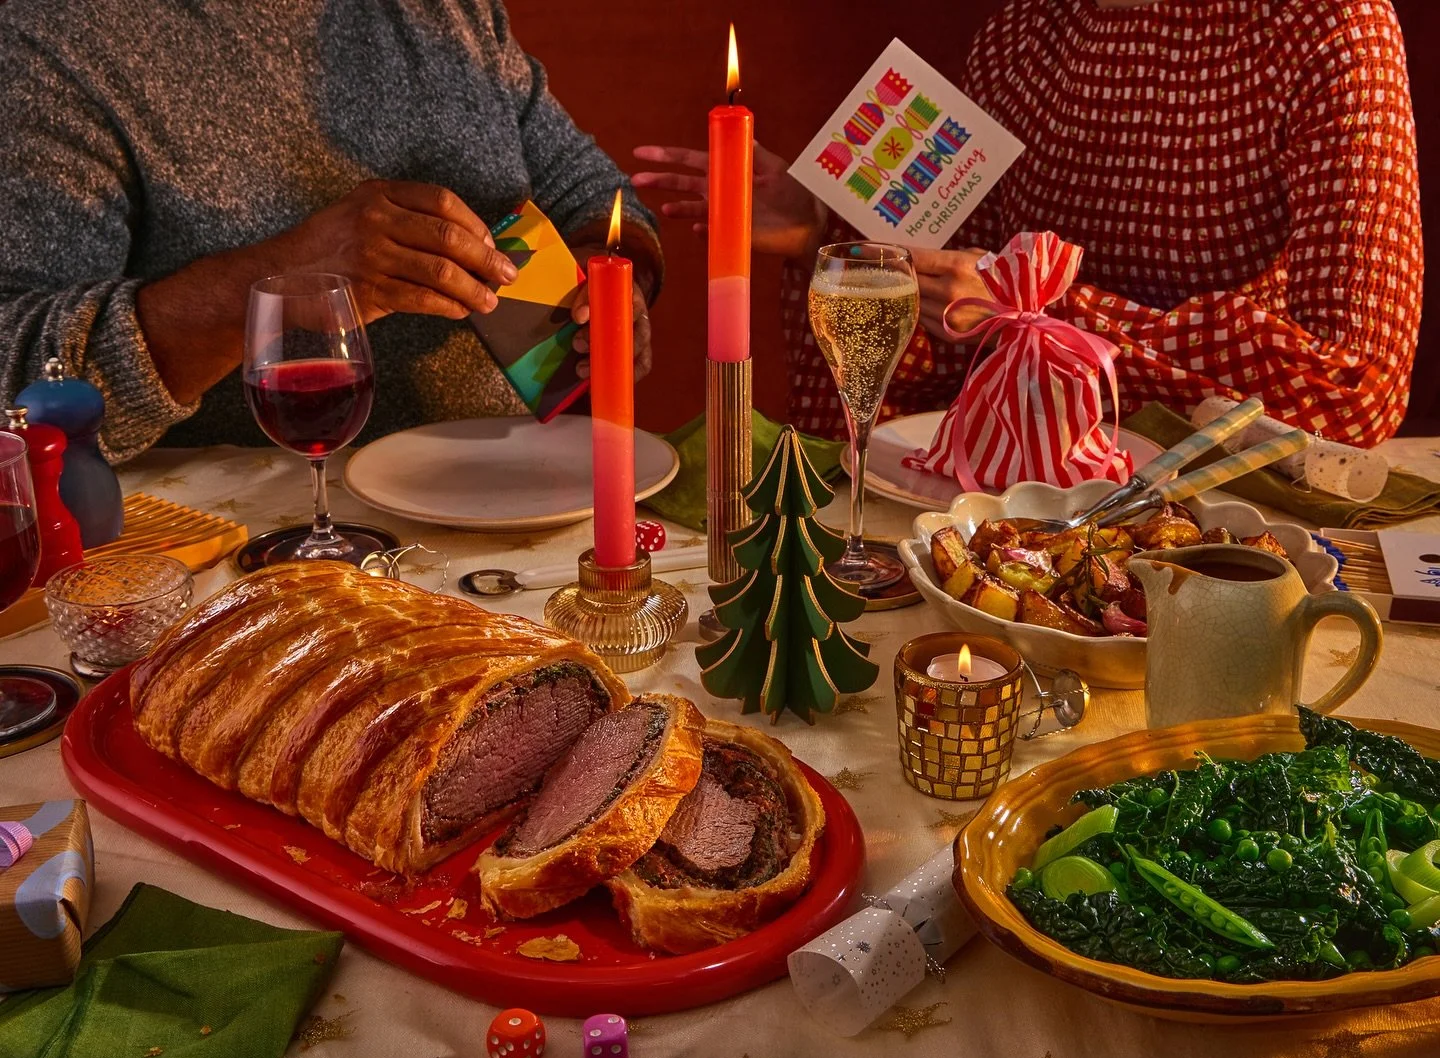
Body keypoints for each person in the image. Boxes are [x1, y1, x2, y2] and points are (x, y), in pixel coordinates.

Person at [635, 0, 1422, 448]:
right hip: (1023, 492)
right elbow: (954, 311)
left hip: (1232, 507)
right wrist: (832, 232)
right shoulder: (1026, 31)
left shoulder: (1327, 28)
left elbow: (1358, 386)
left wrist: (1041, 316)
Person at [0, 0, 661, 462]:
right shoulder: (57, 38)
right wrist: (279, 287)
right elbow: (17, 385)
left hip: (506, 510)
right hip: (252, 554)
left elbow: (592, 192)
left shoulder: (445, 11)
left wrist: (607, 281)